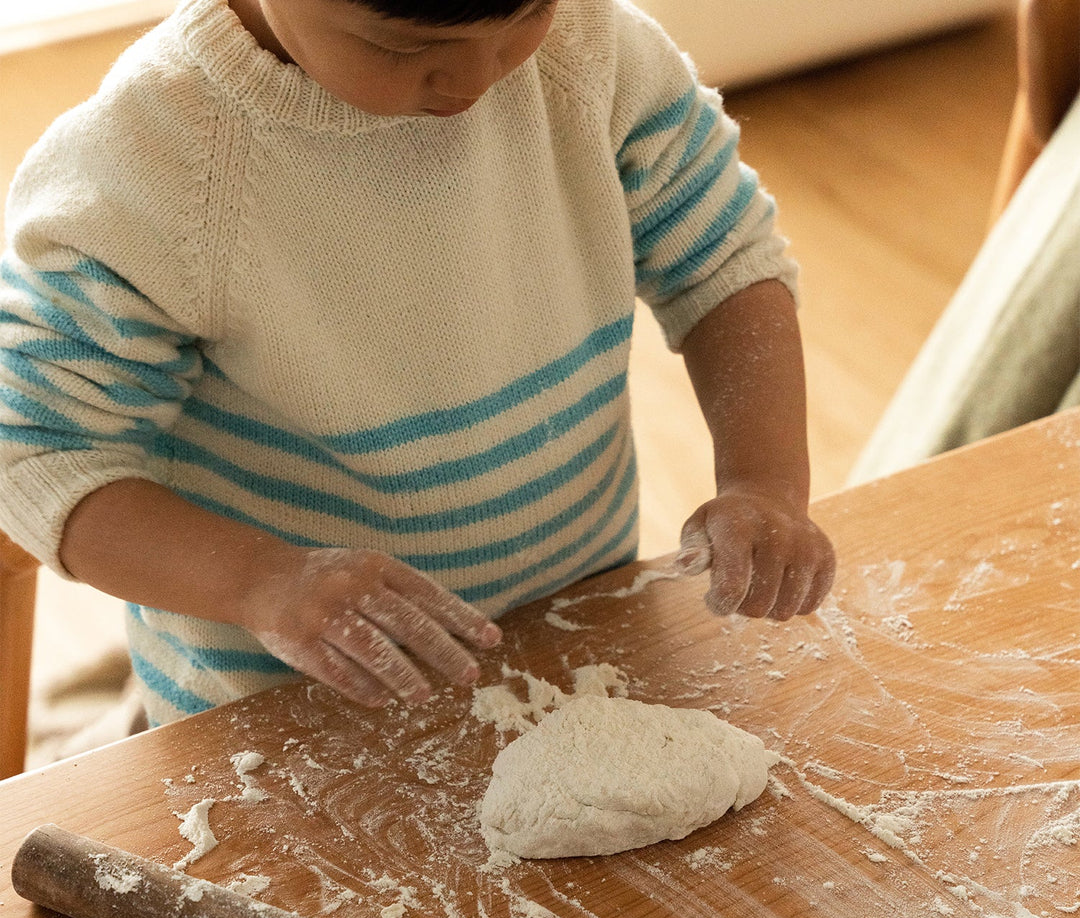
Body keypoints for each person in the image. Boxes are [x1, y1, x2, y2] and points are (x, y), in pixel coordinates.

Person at [0, 0, 836, 728]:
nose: (477, 80)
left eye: (525, 16)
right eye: (402, 49)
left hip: (570, 642)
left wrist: (762, 481)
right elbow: (36, 451)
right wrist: (266, 583)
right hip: (286, 713)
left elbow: (724, 260)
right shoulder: (149, 169)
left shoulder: (592, 50)